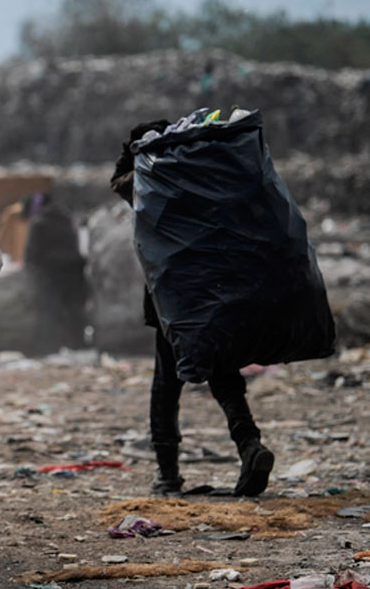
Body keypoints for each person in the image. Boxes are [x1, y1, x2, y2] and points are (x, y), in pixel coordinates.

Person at [111, 121, 274, 497]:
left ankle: (168, 475)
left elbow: (119, 180)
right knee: (222, 370)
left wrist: (136, 148)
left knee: (166, 386)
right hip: (214, 290)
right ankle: (250, 445)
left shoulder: (150, 181)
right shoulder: (205, 176)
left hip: (172, 299)